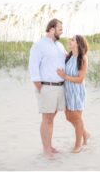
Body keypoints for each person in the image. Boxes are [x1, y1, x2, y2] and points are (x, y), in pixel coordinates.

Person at [29, 18, 66, 159]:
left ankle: (49, 145)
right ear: (51, 29)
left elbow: (64, 60)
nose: (62, 31)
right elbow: (33, 66)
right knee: (47, 119)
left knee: (52, 118)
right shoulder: (39, 45)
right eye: (60, 29)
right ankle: (46, 150)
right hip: (47, 87)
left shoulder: (59, 45)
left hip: (59, 87)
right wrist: (40, 86)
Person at [57, 35, 90, 153]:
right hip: (67, 91)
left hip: (76, 92)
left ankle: (78, 145)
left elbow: (80, 79)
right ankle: (85, 134)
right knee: (68, 117)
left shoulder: (82, 58)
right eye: (69, 39)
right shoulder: (69, 56)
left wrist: (64, 76)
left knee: (77, 118)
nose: (69, 41)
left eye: (72, 40)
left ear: (78, 43)